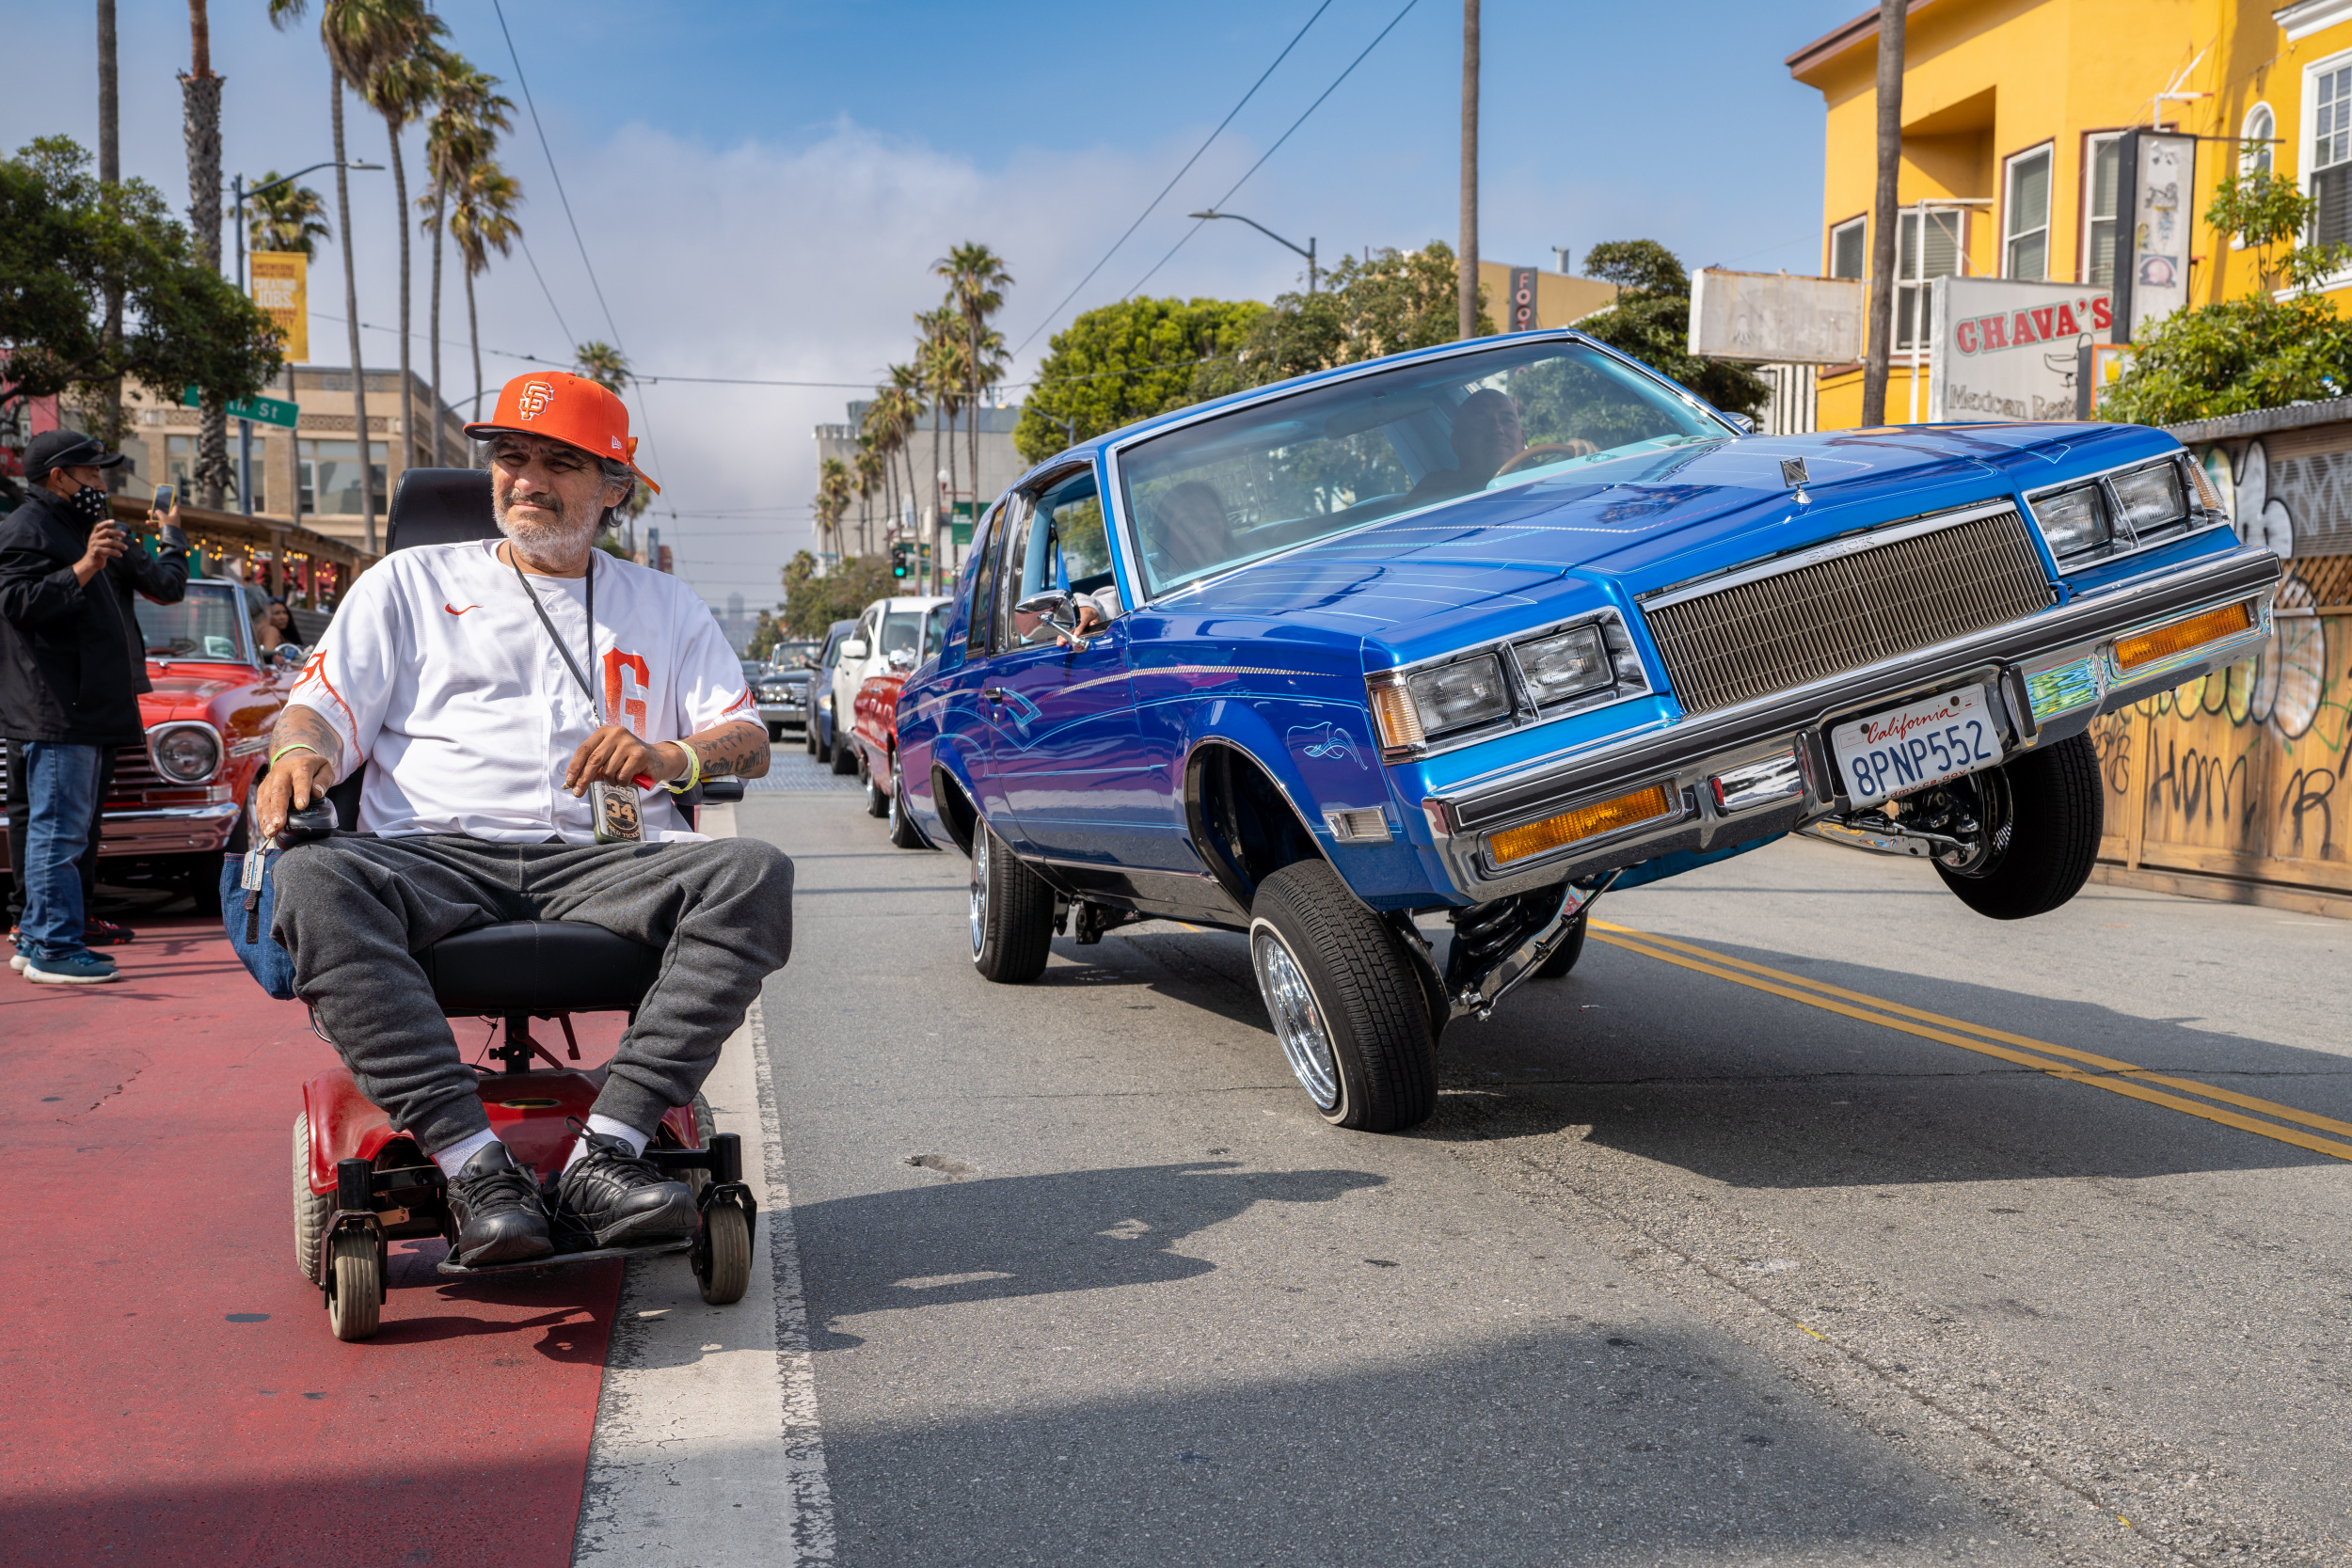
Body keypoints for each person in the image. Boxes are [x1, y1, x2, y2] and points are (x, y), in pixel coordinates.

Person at [255, 370, 793, 1268]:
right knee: (310, 874)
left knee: (756, 873)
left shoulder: (665, 605)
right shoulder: (407, 582)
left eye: (559, 463)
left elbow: (748, 737)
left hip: (606, 864)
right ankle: (474, 1167)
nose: (527, 480)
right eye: (511, 457)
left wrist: (670, 757)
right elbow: (318, 708)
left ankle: (607, 1151)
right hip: (431, 856)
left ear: (614, 487)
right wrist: (297, 755)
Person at [0, 431, 190, 983]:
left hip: (76, 705)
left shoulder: (76, 524)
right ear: (58, 476)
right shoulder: (29, 526)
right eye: (90, 473)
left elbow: (163, 585)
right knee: (58, 832)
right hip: (59, 707)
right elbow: (16, 603)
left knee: (61, 830)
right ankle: (55, 947)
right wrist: (85, 565)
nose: (100, 484)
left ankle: (38, 937)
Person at [1399, 388, 1528, 507]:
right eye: (1481, 422)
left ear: (1522, 438)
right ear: (1457, 443)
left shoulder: (1539, 478)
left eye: (1507, 420)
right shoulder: (1434, 495)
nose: (1497, 429)